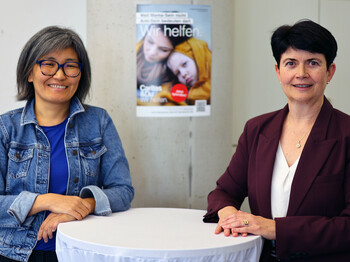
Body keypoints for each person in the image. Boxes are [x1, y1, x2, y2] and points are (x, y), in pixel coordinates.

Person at [203, 19, 350, 261]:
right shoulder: (257, 129)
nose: (301, 74)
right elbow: (223, 192)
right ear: (278, 71)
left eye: (313, 63)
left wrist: (272, 228)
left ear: (329, 72)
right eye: (291, 63)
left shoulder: (345, 134)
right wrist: (230, 215)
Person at [0, 26, 134, 262]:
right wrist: (48, 201)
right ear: (29, 73)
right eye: (48, 64)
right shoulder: (6, 128)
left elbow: (123, 191)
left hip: (80, 251)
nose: (60, 75)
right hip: (15, 253)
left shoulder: (99, 122)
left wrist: (83, 206)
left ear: (80, 74)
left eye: (70, 66)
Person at [137, 24, 191, 105]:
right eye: (150, 41)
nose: (152, 52)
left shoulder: (177, 78)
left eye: (163, 50)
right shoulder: (134, 51)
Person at [166, 37, 211, 105]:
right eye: (178, 73)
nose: (183, 74)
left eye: (185, 64)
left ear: (198, 58)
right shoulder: (182, 98)